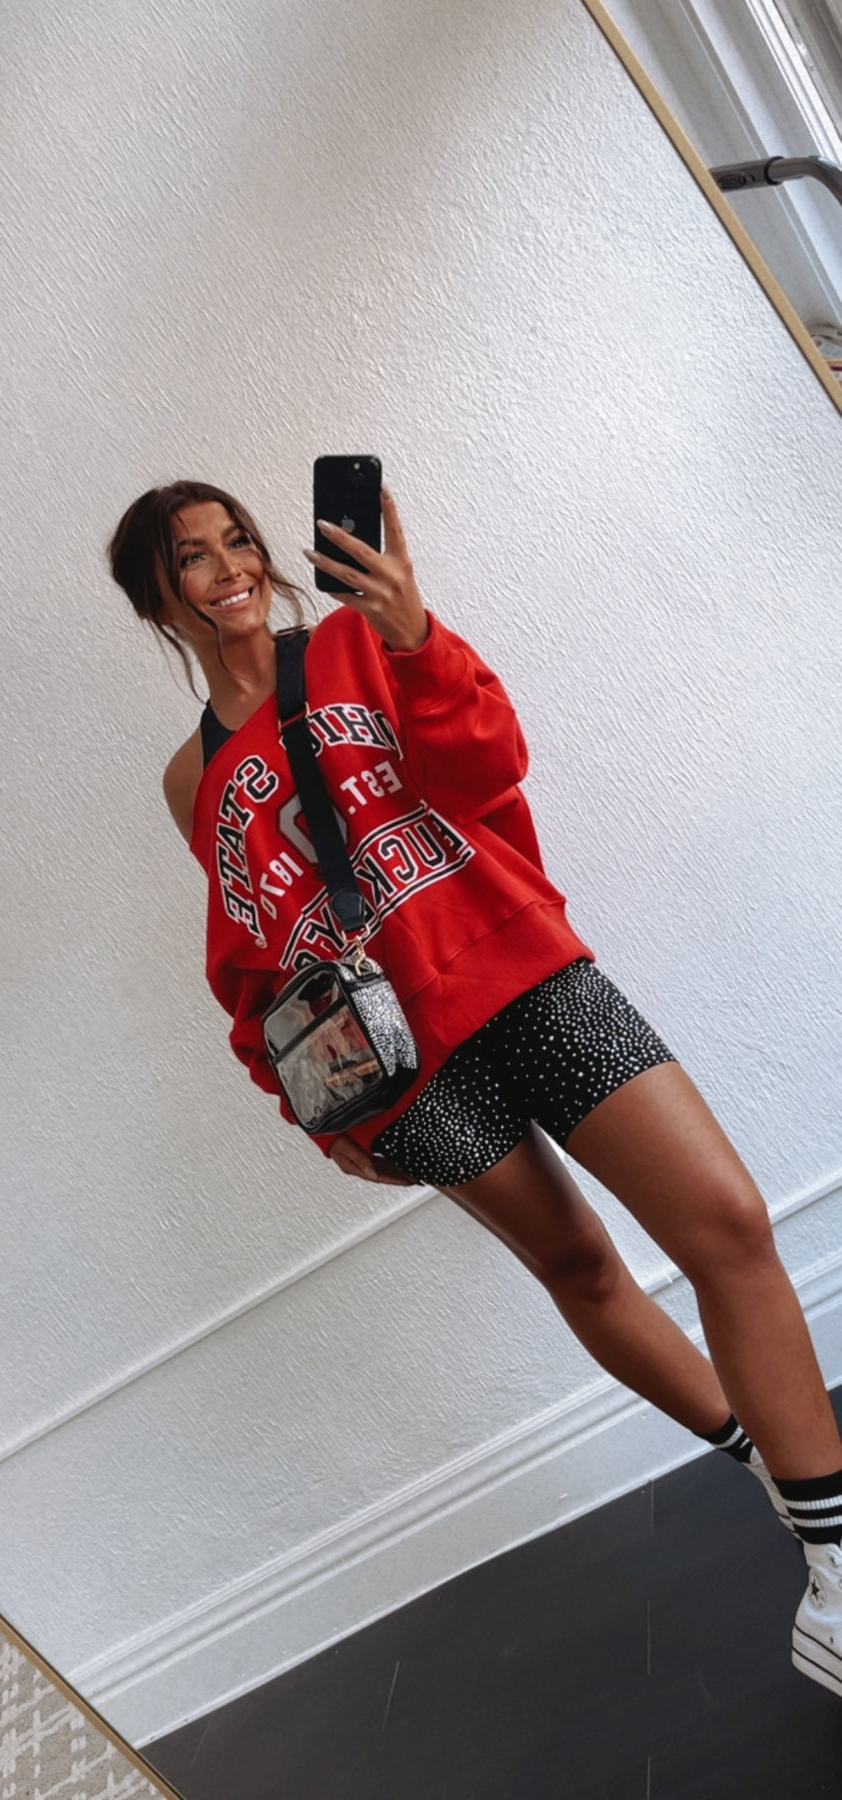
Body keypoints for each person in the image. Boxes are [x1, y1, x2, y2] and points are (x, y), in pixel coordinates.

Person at [109, 476, 842, 1696]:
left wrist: (412, 632)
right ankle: (781, 1481)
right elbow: (247, 958)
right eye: (193, 556)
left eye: (238, 539)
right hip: (400, 1069)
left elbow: (488, 765)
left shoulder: (354, 641)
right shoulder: (192, 778)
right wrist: (309, 1112)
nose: (229, 566)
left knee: (726, 1224)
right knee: (579, 1268)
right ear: (155, 597)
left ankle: (830, 1563)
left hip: (516, 970)